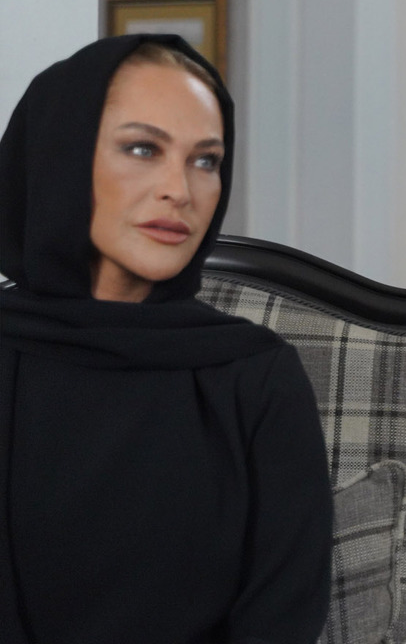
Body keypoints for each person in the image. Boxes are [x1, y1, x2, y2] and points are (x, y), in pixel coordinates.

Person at [0, 34, 332, 643]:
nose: (180, 189)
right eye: (143, 148)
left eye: (206, 161)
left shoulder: (259, 378)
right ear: (59, 157)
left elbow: (282, 621)